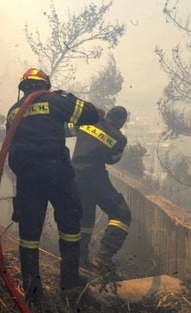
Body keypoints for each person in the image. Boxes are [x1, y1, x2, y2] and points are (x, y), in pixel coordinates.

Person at [6, 68, 102, 306]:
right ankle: (69, 286)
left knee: (29, 235)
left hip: (28, 178)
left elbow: (16, 143)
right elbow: (90, 114)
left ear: (23, 87)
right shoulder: (53, 100)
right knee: (70, 226)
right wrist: (66, 97)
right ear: (44, 85)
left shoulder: (14, 111)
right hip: (56, 172)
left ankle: (32, 292)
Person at [72, 106, 130, 278]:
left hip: (74, 175)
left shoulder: (88, 122)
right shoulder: (119, 138)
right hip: (94, 176)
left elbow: (69, 130)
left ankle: (80, 260)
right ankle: (104, 258)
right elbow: (112, 160)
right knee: (121, 214)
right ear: (121, 121)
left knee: (86, 217)